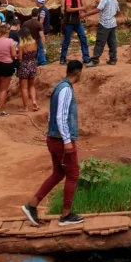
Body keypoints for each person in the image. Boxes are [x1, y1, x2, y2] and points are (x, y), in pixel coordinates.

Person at [21, 60, 85, 228]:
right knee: (73, 175)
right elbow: (61, 116)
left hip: (53, 137)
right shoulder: (66, 89)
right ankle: (65, 215)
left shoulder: (59, 86)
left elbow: (52, 114)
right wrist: (66, 140)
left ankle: (32, 205)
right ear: (78, 73)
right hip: (61, 139)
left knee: (58, 173)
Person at [60, 0, 93, 65]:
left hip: (77, 21)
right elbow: (68, 9)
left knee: (83, 38)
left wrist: (82, 13)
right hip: (70, 22)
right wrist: (81, 8)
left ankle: (86, 57)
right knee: (67, 41)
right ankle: (62, 59)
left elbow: (78, 8)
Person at [91, 0, 120, 66]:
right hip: (113, 24)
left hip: (104, 24)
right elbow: (118, 11)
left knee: (100, 42)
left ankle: (95, 60)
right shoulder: (114, 0)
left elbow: (98, 9)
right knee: (112, 42)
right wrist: (111, 15)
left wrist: (85, 15)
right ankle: (113, 59)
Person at [17, 22, 41, 113]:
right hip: (32, 65)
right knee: (31, 86)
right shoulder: (34, 42)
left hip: (24, 66)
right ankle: (34, 102)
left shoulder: (21, 45)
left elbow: (20, 58)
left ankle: (25, 107)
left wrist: (17, 56)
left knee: (24, 88)